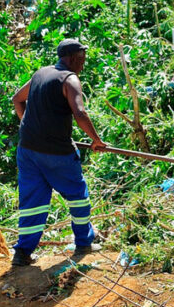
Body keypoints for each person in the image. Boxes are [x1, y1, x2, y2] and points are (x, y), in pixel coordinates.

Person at [10, 39, 105, 266]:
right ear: (72, 58)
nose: (83, 64)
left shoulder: (40, 74)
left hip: (28, 151)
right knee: (78, 196)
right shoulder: (69, 79)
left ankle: (22, 253)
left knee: (33, 202)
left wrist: (31, 127)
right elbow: (80, 113)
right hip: (57, 154)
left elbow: (16, 99)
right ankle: (83, 243)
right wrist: (97, 140)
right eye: (81, 59)